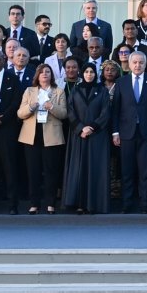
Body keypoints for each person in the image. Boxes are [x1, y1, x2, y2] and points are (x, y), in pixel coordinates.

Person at [111, 52, 147, 214]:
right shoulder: (121, 82)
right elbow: (115, 110)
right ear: (130, 63)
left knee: (145, 171)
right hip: (126, 133)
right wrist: (115, 132)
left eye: (141, 62)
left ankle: (145, 204)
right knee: (127, 171)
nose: (138, 65)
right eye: (135, 62)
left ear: (145, 64)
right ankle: (127, 204)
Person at [17, 63, 68, 215]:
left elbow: (64, 114)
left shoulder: (59, 91)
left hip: (51, 137)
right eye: (41, 72)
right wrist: (31, 107)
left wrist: (51, 107)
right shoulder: (29, 91)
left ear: (52, 75)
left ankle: (50, 203)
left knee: (51, 172)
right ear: (37, 76)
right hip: (31, 137)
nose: (45, 74)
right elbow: (20, 113)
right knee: (33, 172)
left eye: (47, 72)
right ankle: (34, 204)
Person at [61, 63, 112, 214]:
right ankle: (79, 203)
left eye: (91, 72)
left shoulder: (102, 91)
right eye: (86, 72)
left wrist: (92, 128)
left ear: (96, 74)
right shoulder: (75, 90)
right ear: (82, 74)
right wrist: (80, 128)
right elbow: (70, 111)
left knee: (96, 169)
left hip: (97, 136)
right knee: (79, 168)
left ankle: (94, 204)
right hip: (79, 136)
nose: (89, 74)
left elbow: (105, 112)